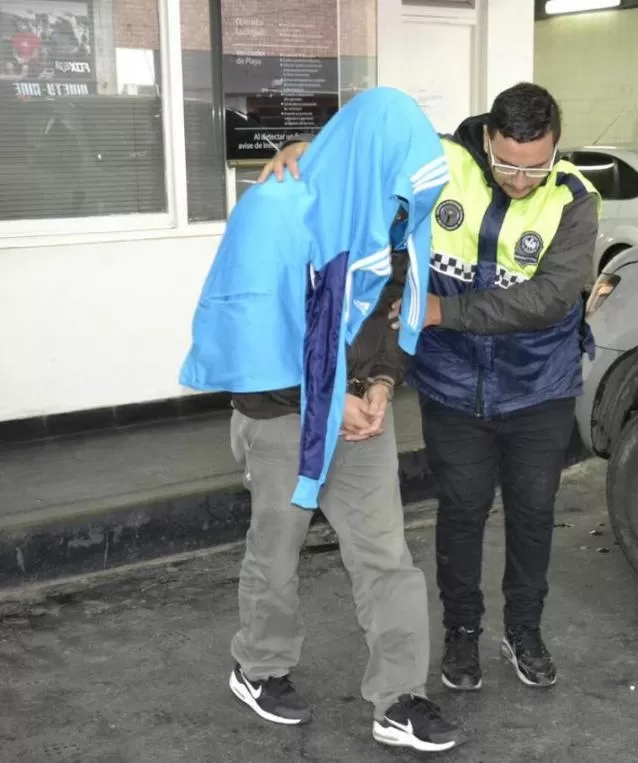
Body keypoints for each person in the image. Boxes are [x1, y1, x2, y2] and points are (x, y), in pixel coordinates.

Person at [261, 83, 600, 694]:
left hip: (538, 388)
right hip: (451, 387)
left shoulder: (574, 197)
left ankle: (524, 632)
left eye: (536, 167)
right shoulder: (440, 162)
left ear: (555, 149)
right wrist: (302, 149)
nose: (521, 180)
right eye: (507, 164)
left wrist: (443, 312)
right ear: (487, 137)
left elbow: (550, 297)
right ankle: (462, 636)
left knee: (533, 516)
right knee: (462, 514)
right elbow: (359, 168)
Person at [179, 87, 460, 753]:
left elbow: (394, 307)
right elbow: (251, 345)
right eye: (394, 184)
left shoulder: (390, 215)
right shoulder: (277, 207)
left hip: (361, 409)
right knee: (277, 550)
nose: (402, 208)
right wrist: (331, 408)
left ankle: (399, 697)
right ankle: (259, 666)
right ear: (367, 157)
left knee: (386, 555)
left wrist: (384, 386)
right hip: (282, 413)